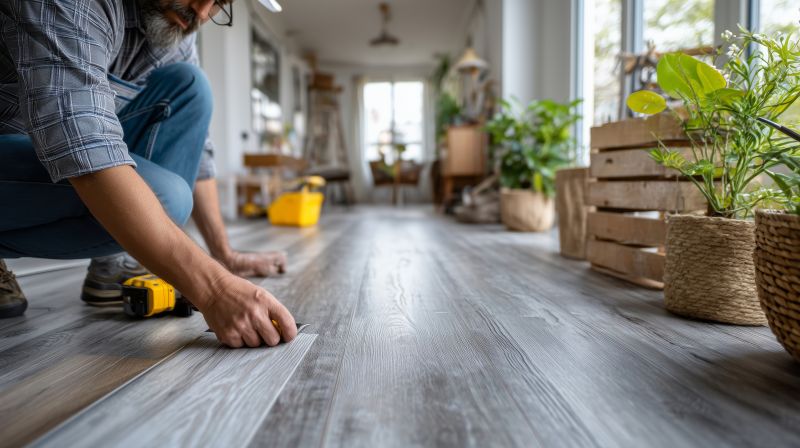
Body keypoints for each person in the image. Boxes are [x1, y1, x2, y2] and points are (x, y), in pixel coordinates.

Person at [0, 0, 298, 347]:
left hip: (34, 156)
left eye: (220, 2)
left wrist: (224, 255)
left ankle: (117, 267)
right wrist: (212, 288)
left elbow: (197, 151)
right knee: (165, 199)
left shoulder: (175, 24)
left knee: (190, 86)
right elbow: (84, 144)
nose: (202, 13)